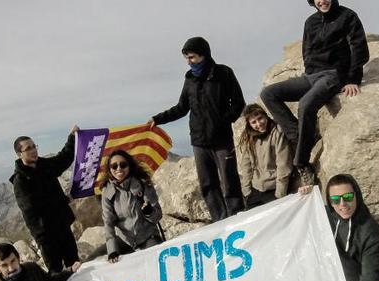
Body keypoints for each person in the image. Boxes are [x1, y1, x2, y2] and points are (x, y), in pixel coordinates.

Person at [260, 0, 368, 176]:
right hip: (311, 76)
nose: (322, 1)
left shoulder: (348, 16)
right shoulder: (311, 22)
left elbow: (359, 49)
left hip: (335, 74)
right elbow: (307, 50)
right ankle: (299, 134)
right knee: (269, 93)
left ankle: (302, 163)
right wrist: (309, 70)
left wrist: (352, 79)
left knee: (305, 104)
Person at [147, 36, 245, 222]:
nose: (188, 62)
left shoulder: (224, 73)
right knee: (207, 183)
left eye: (191, 57)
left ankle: (237, 216)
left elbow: (239, 103)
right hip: (199, 141)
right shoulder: (190, 79)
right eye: (186, 58)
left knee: (229, 179)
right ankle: (220, 219)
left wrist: (224, 121)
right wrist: (157, 119)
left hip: (222, 138)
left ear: (203, 55)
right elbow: (182, 108)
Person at [11, 125, 81, 273]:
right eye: (28, 148)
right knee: (56, 272)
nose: (33, 150)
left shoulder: (44, 165)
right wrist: (63, 200)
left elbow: (63, 158)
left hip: (63, 225)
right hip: (47, 235)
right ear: (19, 154)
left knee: (75, 264)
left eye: (34, 146)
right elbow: (30, 210)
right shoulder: (21, 180)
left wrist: (72, 137)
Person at [100, 149, 164, 261]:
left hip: (148, 238)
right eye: (114, 166)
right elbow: (108, 223)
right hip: (125, 241)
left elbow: (158, 215)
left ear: (129, 166)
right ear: (110, 170)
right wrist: (112, 251)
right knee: (94, 259)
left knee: (154, 262)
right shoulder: (106, 191)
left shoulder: (143, 184)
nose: (119, 169)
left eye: (123, 165)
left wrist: (149, 212)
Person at [237, 103, 294, 208]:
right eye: (254, 122)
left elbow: (283, 164)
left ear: (265, 116)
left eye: (260, 118)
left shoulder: (277, 132)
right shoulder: (248, 138)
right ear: (249, 124)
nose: (259, 124)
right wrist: (247, 192)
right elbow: (246, 166)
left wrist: (280, 195)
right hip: (255, 190)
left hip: (275, 189)